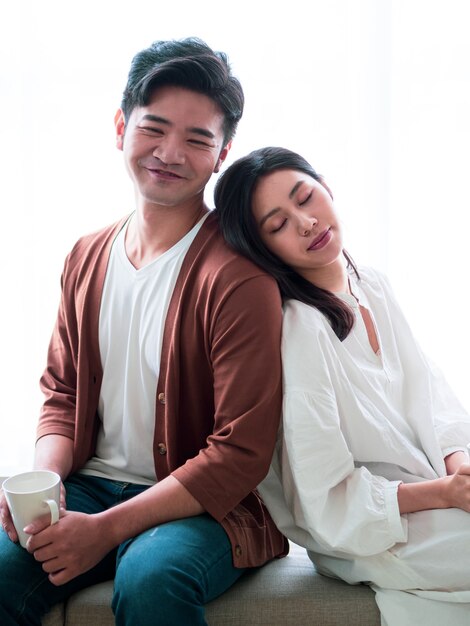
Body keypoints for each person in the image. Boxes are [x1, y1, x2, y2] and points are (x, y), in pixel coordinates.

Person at [0, 40, 287, 625]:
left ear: (221, 155)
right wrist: (45, 485)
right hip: (89, 487)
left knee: (153, 578)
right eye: (154, 128)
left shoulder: (240, 276)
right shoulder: (86, 256)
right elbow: (63, 395)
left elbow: (241, 452)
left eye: (197, 140)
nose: (170, 152)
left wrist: (105, 532)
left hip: (206, 508)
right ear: (120, 125)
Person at [214, 146, 470, 625]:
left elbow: (431, 396)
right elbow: (326, 496)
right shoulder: (300, 328)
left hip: (436, 486)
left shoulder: (371, 283)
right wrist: (445, 494)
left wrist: (460, 469)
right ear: (263, 250)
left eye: (305, 197)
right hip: (373, 531)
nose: (305, 222)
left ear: (325, 186)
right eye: (277, 225)